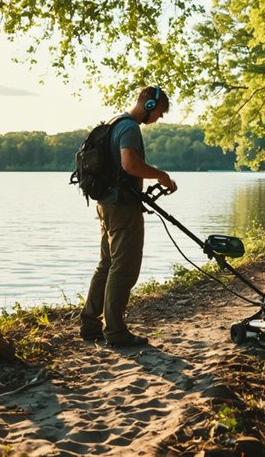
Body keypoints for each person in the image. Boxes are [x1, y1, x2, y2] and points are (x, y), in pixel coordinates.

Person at [79, 86, 178, 347]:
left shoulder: (114, 122)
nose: (159, 117)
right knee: (124, 269)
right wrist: (161, 175)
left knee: (106, 264)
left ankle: (90, 324)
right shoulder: (130, 128)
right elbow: (129, 164)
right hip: (123, 207)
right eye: (159, 111)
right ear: (148, 105)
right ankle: (115, 332)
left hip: (106, 204)